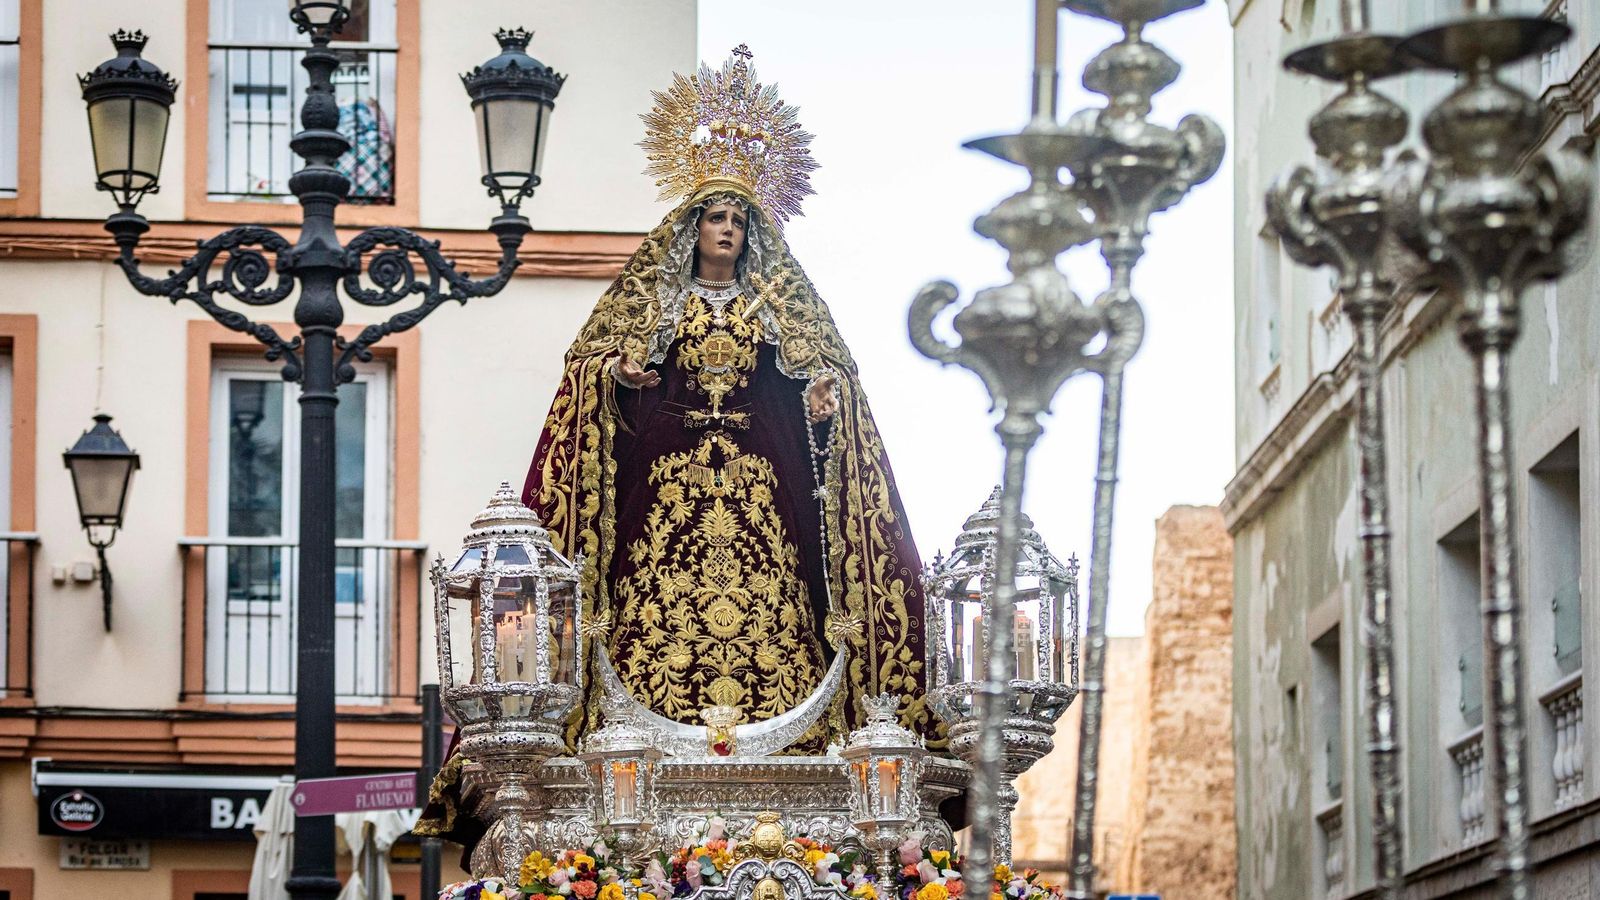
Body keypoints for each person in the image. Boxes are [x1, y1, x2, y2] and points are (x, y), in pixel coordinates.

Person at [417, 46, 933, 852]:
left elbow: (825, 383)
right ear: (690, 229)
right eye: (714, 220)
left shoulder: (780, 308)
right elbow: (587, 369)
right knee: (644, 594)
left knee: (782, 601)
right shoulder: (650, 302)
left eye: (737, 221)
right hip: (667, 492)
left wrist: (823, 396)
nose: (726, 232)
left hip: (760, 498)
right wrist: (617, 373)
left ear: (751, 232)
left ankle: (788, 731)